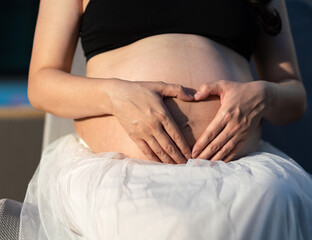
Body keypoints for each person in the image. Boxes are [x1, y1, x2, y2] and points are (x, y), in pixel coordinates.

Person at [19, 0, 312, 239]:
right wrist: (114, 96)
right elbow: (42, 82)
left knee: (276, 198)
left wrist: (264, 96)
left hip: (240, 171)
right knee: (172, 225)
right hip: (118, 171)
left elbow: (294, 94)